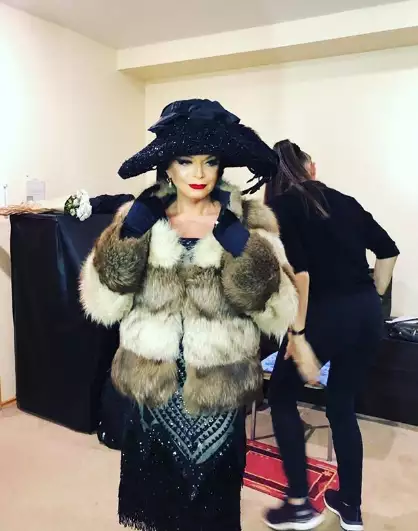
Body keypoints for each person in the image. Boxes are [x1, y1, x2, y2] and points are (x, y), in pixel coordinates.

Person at [79, 100, 300, 531]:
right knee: (157, 508)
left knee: (211, 510)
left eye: (210, 161)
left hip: (218, 392)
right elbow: (104, 300)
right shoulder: (138, 218)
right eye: (185, 160)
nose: (199, 173)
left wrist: (246, 250)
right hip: (154, 391)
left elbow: (278, 309)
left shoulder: (250, 220)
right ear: (167, 165)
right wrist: (128, 236)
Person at [263, 140, 399, 531]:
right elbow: (388, 251)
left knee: (281, 395)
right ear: (311, 168)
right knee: (341, 405)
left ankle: (299, 504)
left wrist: (299, 335)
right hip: (366, 315)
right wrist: (373, 294)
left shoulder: (280, 208)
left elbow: (300, 276)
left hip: (323, 315)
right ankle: (351, 507)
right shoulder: (345, 201)